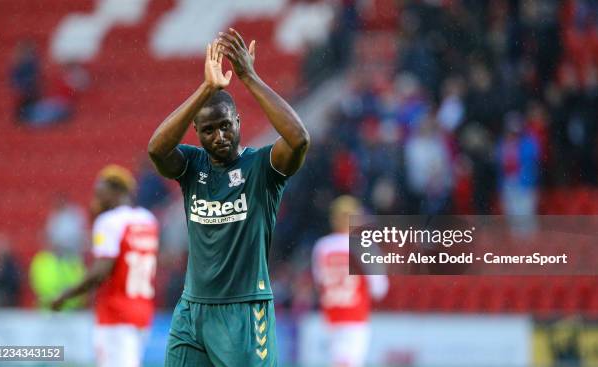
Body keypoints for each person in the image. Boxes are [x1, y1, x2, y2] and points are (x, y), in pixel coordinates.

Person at [148, 28, 310, 366]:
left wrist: (249, 77)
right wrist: (206, 88)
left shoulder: (261, 167)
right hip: (192, 311)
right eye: (208, 130)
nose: (219, 136)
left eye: (225, 125)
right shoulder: (192, 166)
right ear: (197, 134)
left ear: (238, 121)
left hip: (245, 311)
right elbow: (157, 149)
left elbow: (298, 140)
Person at [50, 165, 160, 367]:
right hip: (142, 310)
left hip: (115, 313)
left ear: (115, 191)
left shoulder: (110, 221)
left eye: (100, 193)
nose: (96, 199)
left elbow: (101, 272)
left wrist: (65, 296)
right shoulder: (147, 220)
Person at [312, 195, 389, 367]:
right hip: (355, 316)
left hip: (331, 316)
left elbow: (319, 283)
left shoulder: (322, 246)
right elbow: (379, 288)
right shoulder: (363, 246)